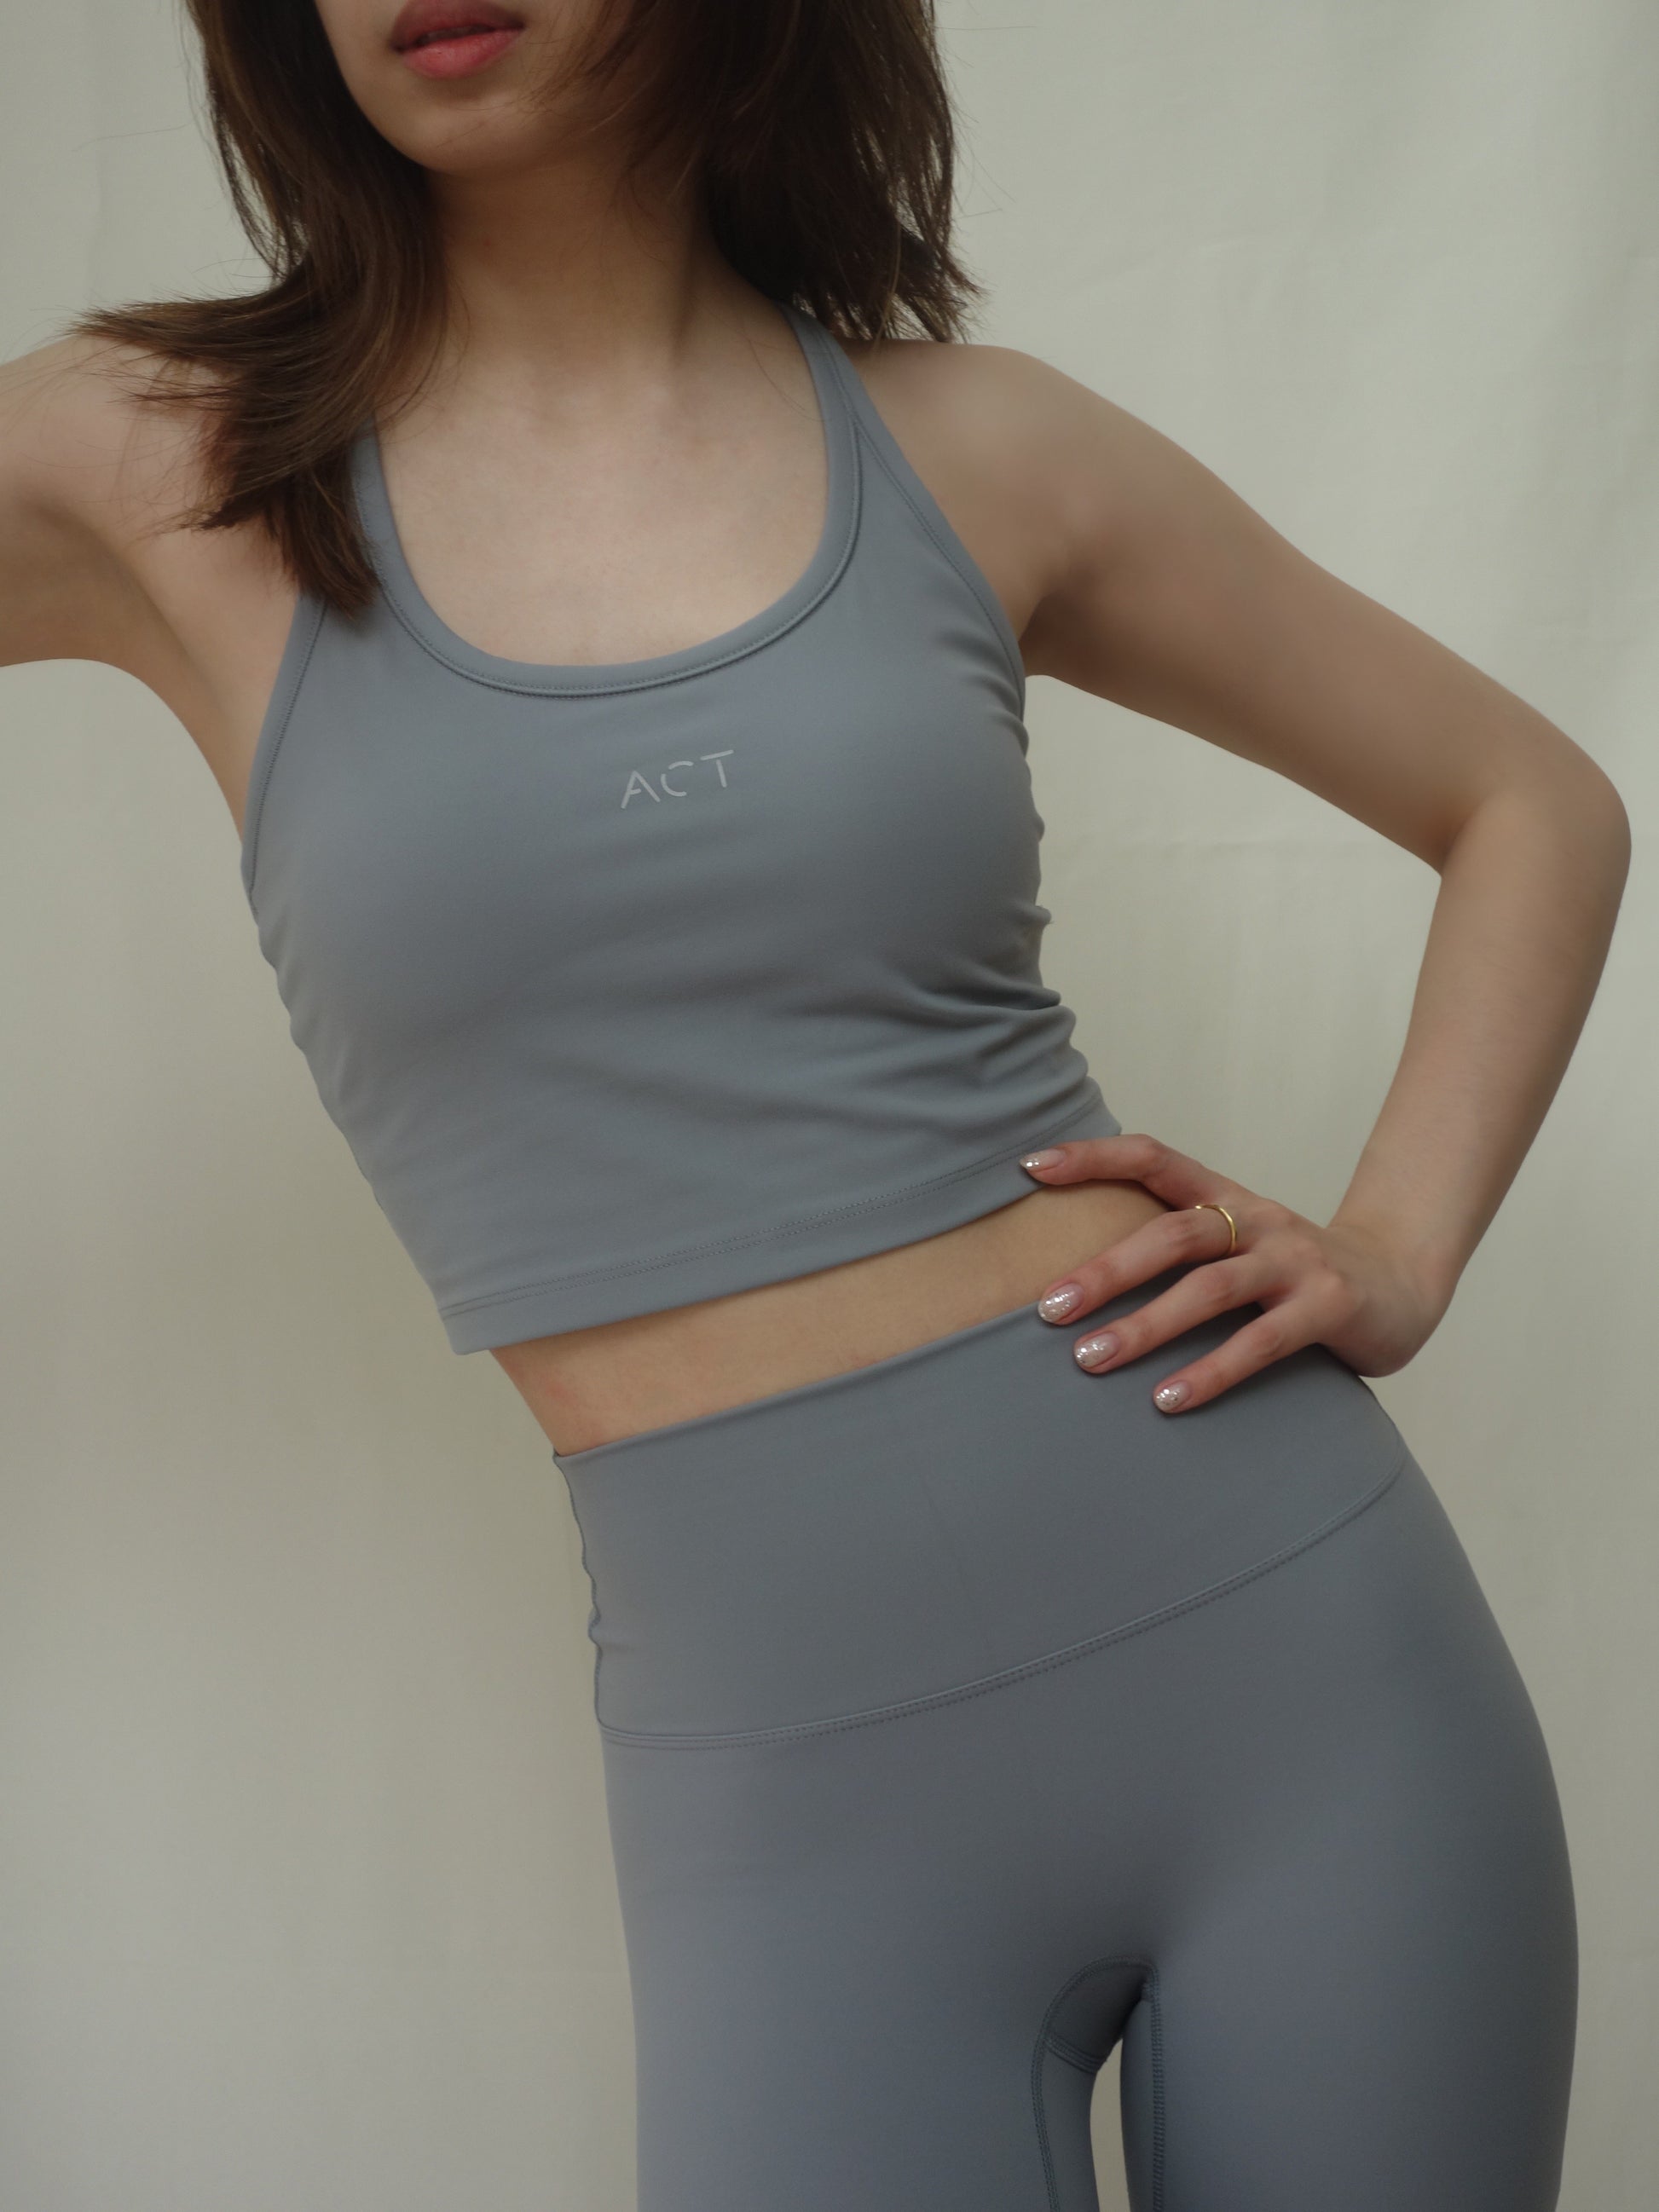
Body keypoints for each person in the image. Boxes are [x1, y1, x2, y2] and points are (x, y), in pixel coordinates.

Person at [1, 3, 1627, 2207]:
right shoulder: (163, 459)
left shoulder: (988, 450)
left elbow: (1527, 797)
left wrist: (1399, 1243)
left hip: (1297, 1672)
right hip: (783, 1800)